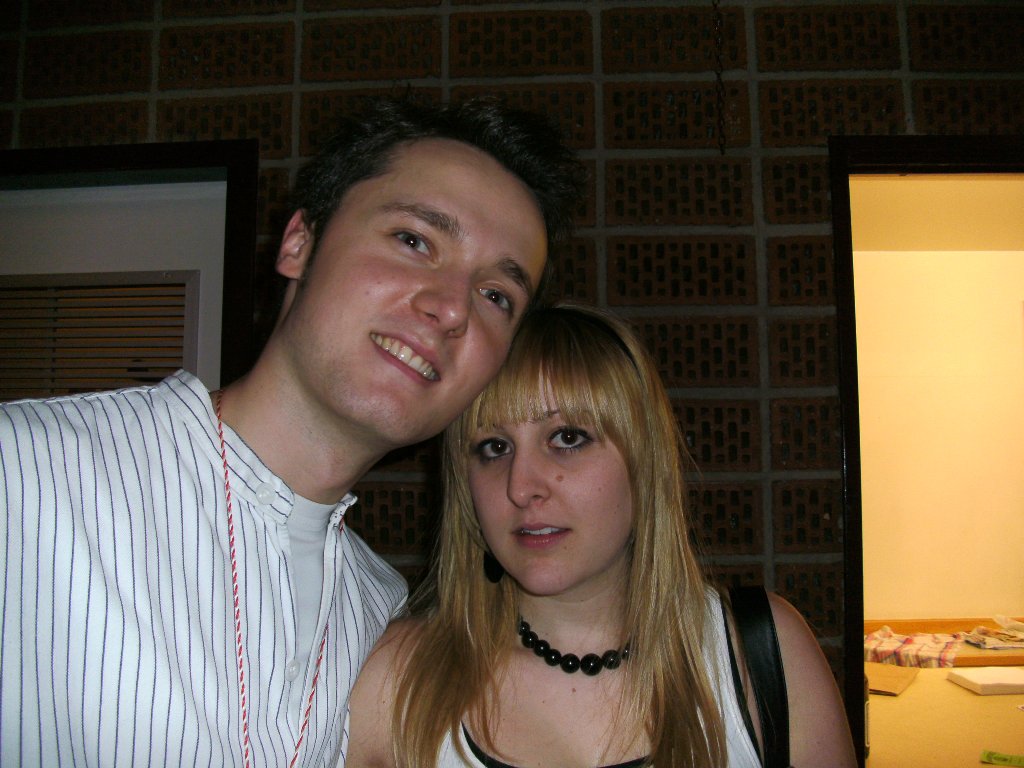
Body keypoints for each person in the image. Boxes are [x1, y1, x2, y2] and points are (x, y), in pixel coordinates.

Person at [0, 97, 584, 767]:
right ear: (299, 244)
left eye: (497, 296)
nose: (452, 308)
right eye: (414, 240)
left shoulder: (381, 614)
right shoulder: (24, 478)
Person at [346, 303, 857, 767]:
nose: (521, 487)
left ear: (643, 461)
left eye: (567, 438)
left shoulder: (761, 654)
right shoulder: (395, 683)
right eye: (494, 448)